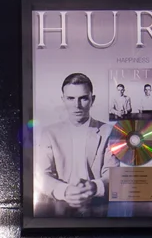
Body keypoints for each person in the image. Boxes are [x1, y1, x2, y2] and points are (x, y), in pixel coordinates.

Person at [36, 72, 108, 215]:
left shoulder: (109, 131)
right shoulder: (49, 133)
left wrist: (95, 187)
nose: (77, 105)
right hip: (58, 210)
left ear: (92, 99)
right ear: (63, 100)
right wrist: (65, 191)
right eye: (71, 98)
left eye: (83, 98)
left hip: (98, 210)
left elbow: (113, 174)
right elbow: (41, 175)